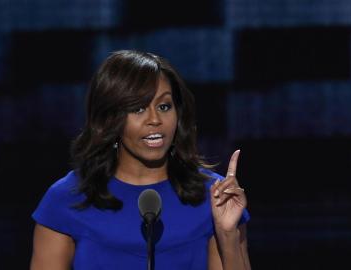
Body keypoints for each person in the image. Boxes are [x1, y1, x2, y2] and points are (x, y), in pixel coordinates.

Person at [30, 50, 251, 270]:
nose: (155, 120)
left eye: (164, 106)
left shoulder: (215, 197)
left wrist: (227, 235)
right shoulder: (66, 198)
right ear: (110, 119)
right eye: (138, 108)